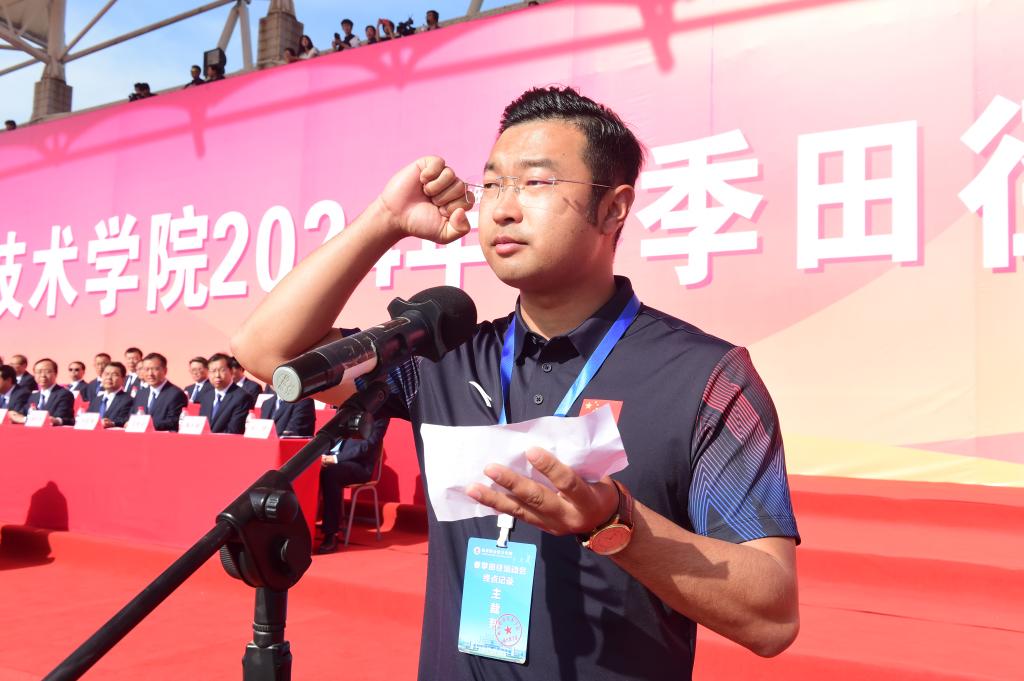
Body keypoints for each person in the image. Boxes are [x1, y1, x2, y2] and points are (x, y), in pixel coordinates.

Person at [231, 86, 800, 680]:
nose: (502, 208)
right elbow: (268, 353)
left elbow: (772, 617)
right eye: (492, 184)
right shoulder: (442, 360)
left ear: (614, 209)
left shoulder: (707, 377)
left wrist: (616, 524)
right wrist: (384, 220)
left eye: (536, 182)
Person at [316, 414, 390, 554]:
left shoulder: (380, 415)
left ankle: (331, 534)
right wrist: (320, 455)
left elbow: (367, 446)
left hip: (359, 465)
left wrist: (335, 459)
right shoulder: (347, 410)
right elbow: (331, 435)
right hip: (332, 459)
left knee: (331, 473)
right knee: (308, 468)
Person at [198, 353, 256, 434]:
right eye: (213, 371)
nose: (217, 375)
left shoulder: (242, 397)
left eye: (222, 370)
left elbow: (234, 431)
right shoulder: (206, 397)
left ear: (231, 371)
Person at [132, 352, 187, 431]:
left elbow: (174, 421)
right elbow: (133, 415)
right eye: (146, 369)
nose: (150, 374)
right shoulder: (141, 393)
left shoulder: (176, 394)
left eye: (155, 369)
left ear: (165, 370)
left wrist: (145, 425)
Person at [12, 358, 75, 426]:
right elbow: (22, 413)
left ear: (56, 374)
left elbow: (61, 417)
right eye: (39, 372)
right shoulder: (33, 396)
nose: (43, 375)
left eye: (47, 372)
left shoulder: (64, 394)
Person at [87, 361, 133, 428]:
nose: (109, 377)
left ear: (123, 379)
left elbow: (126, 419)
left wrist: (113, 423)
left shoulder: (127, 400)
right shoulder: (96, 399)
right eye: (106, 374)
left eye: (114, 375)